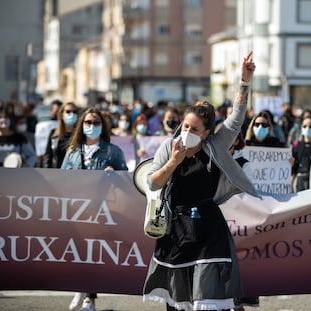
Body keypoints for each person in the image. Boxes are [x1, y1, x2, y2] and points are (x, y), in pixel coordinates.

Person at [142, 51, 257, 311]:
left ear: (206, 134)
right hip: (177, 227)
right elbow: (153, 184)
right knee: (178, 299)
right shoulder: (167, 147)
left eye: (194, 129)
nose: (186, 132)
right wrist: (173, 161)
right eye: (185, 126)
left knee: (208, 297)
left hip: (208, 226)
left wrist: (244, 82)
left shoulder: (215, 146)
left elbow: (237, 117)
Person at [61, 108, 128, 311]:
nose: (91, 126)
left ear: (102, 125)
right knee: (77, 251)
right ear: (82, 125)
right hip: (76, 209)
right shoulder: (72, 151)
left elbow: (126, 179)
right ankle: (80, 287)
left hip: (102, 209)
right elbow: (61, 178)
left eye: (96, 122)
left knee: (94, 252)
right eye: (88, 122)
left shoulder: (112, 151)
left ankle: (90, 299)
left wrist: (114, 173)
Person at [42, 102, 79, 168]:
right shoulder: (54, 134)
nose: (72, 114)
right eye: (68, 111)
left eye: (74, 112)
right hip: (56, 173)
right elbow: (47, 157)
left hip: (75, 174)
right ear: (62, 114)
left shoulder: (80, 135)